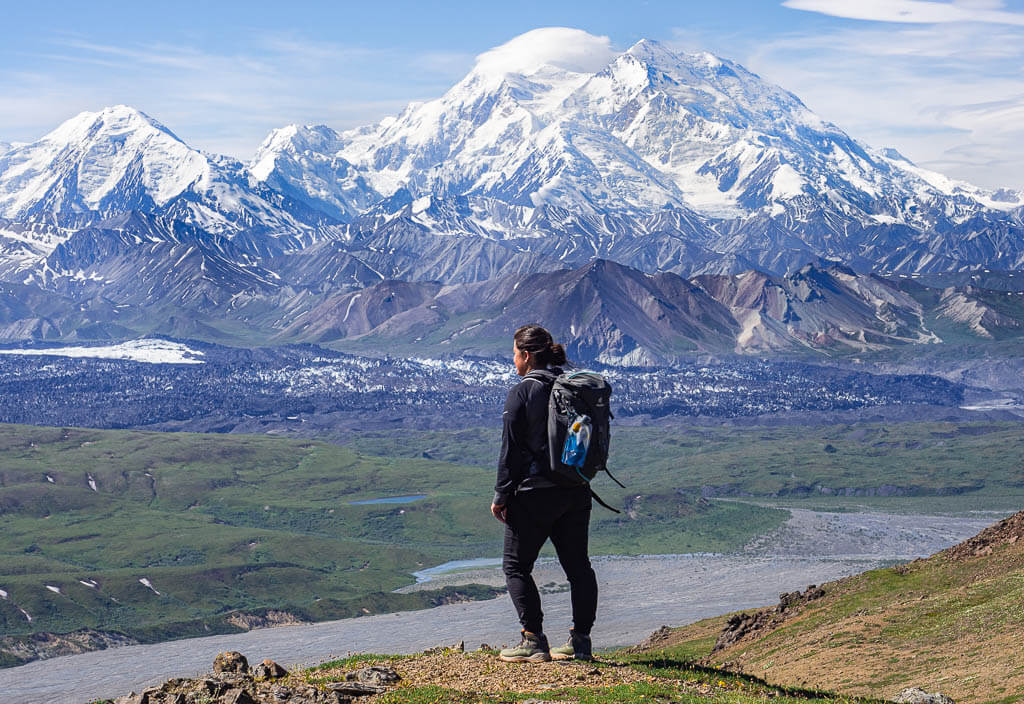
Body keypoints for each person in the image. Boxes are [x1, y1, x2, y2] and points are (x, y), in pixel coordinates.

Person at [491, 324, 597, 663]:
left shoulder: (522, 393)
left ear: (525, 355)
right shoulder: (570, 388)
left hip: (534, 496)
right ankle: (580, 643)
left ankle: (533, 639)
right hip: (575, 491)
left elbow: (510, 452)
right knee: (578, 567)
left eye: (514, 354)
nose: (513, 361)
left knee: (515, 566)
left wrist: (501, 496)